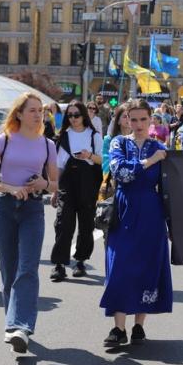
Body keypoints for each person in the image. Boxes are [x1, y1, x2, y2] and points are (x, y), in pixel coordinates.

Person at [0, 92, 58, 354]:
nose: (38, 115)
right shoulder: (4, 140)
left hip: (33, 209)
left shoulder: (48, 145)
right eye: (33, 110)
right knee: (8, 269)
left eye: (41, 111)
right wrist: (11, 188)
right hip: (4, 207)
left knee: (28, 268)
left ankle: (20, 327)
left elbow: (55, 184)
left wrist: (43, 184)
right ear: (19, 114)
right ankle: (12, 326)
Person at [101, 98, 172, 346]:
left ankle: (139, 326)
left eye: (144, 119)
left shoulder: (160, 146)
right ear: (126, 120)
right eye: (134, 119)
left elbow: (170, 187)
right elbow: (121, 173)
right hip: (124, 209)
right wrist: (151, 161)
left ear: (151, 119)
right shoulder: (119, 143)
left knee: (147, 266)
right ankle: (118, 329)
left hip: (151, 212)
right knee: (119, 266)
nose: (139, 124)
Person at [50, 100, 103, 282]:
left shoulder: (93, 135)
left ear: (83, 115)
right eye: (70, 115)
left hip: (88, 181)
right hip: (67, 182)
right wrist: (55, 190)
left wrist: (88, 155)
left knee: (86, 223)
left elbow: (102, 160)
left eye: (77, 115)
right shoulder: (64, 135)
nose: (73, 119)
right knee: (63, 222)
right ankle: (59, 264)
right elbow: (58, 166)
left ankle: (80, 260)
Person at [102, 103, 129, 174]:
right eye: (125, 116)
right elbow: (105, 164)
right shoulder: (108, 140)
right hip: (113, 179)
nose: (128, 119)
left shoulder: (138, 140)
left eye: (130, 116)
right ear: (118, 121)